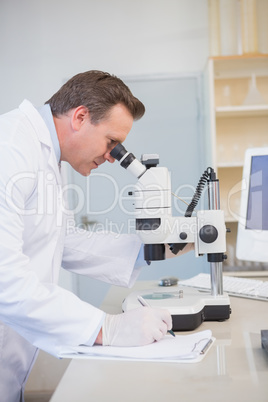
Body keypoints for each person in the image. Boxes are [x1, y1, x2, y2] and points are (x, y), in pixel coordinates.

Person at [0, 71, 175, 402]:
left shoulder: (50, 156)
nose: (112, 155)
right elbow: (4, 279)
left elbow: (60, 240)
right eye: (112, 142)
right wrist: (105, 328)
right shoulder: (9, 149)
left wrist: (149, 250)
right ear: (80, 117)